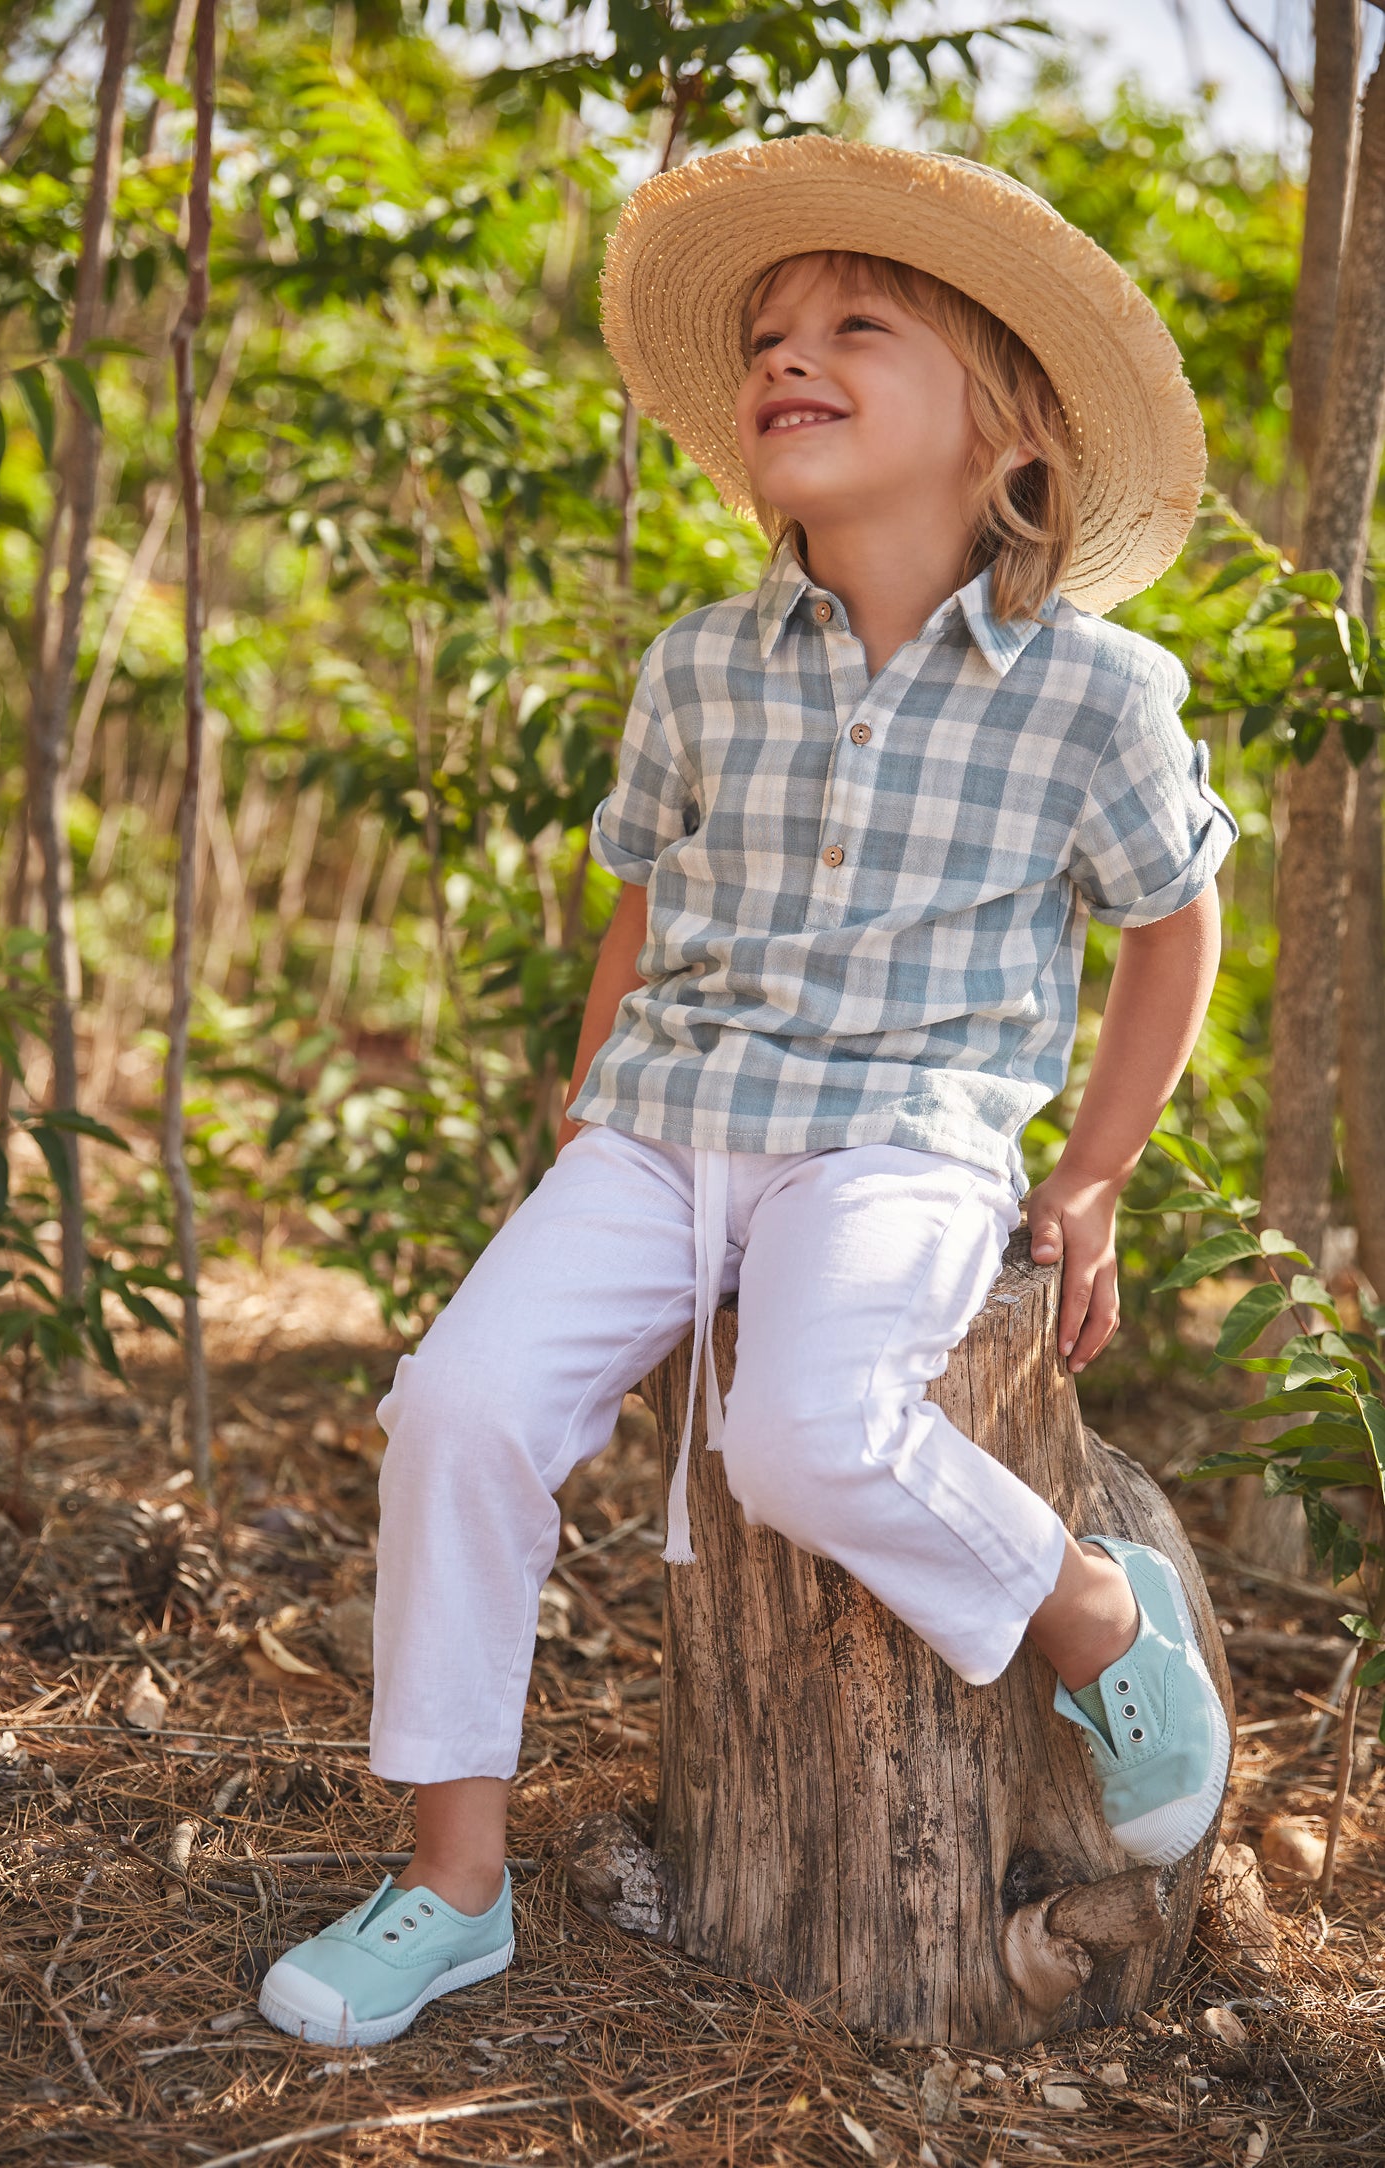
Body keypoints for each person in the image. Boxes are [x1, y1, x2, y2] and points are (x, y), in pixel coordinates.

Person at [258, 136, 1238, 2049]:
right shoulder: (700, 665)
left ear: (1009, 428)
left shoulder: (1094, 691)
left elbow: (1171, 926)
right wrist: (585, 1116)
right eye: (771, 333)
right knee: (454, 1407)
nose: (789, 352)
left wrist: (1099, 1174)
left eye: (857, 325)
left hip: (906, 1130)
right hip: (665, 1121)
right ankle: (451, 1883)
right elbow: (643, 899)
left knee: (799, 1434)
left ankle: (1096, 1623)